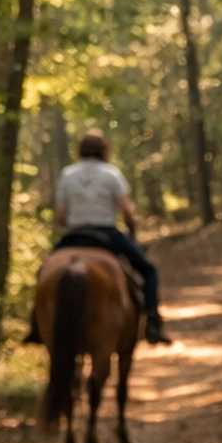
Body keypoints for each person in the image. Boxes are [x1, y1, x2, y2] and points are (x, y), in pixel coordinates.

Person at [54, 131, 173, 345]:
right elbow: (127, 212)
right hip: (107, 234)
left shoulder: (67, 175)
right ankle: (153, 322)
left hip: (74, 234)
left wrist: (69, 226)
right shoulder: (112, 174)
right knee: (148, 271)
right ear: (104, 151)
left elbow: (60, 215)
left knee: (45, 270)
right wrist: (132, 233)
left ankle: (36, 322)